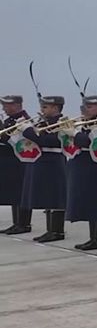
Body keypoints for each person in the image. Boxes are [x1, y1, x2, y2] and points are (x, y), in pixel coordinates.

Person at [20, 95, 71, 242]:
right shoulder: (46, 122)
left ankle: (57, 231)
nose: (42, 110)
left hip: (55, 162)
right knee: (49, 196)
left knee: (55, 196)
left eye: (45, 107)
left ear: (55, 108)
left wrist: (28, 131)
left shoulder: (62, 123)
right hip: (45, 162)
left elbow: (48, 141)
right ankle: (50, 230)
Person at [68, 94, 97, 250]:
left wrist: (75, 133)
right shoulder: (90, 121)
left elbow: (88, 142)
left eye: (89, 107)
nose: (85, 110)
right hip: (88, 166)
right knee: (91, 202)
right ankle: (94, 237)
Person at [1, 95, 33, 234]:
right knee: (14, 193)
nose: (4, 108)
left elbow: (17, 141)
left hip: (20, 161)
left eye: (6, 105)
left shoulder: (23, 120)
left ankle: (24, 223)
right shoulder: (9, 120)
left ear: (16, 105)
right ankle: (17, 222)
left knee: (21, 192)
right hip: (9, 161)